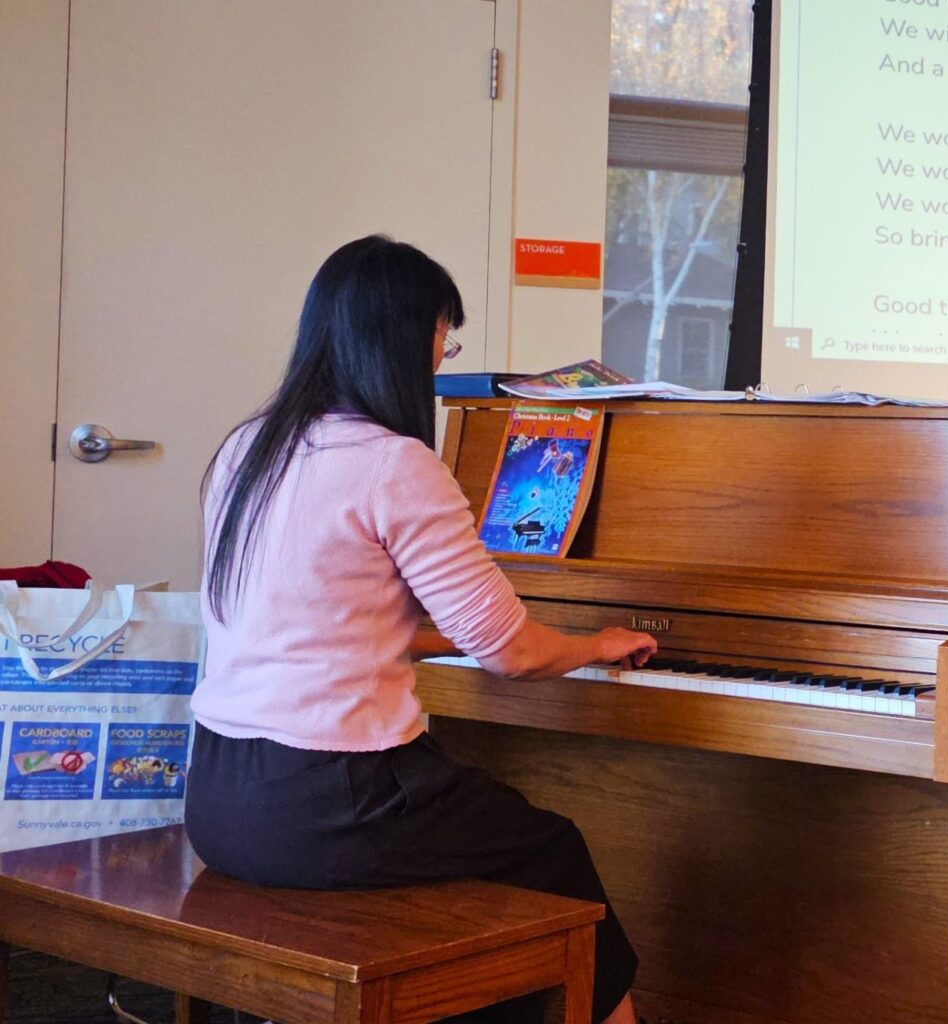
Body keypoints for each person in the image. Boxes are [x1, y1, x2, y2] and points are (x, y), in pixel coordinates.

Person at [185, 235, 657, 1024]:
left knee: (483, 841)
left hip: (220, 797)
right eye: (443, 335)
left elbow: (329, 626)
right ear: (403, 338)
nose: (442, 356)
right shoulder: (393, 464)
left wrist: (462, 639)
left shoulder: (249, 447)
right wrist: (594, 645)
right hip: (331, 805)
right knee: (553, 849)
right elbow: (510, 651)